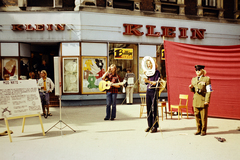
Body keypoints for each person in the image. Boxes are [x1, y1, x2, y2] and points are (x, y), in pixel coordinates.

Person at [189, 65, 212, 136]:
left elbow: (209, 91)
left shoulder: (207, 79)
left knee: (203, 116)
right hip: (195, 100)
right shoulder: (193, 79)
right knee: (197, 116)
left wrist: (207, 101)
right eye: (196, 70)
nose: (197, 72)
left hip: (202, 100)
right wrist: (191, 88)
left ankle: (203, 130)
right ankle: (198, 129)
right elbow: (193, 91)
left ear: (202, 70)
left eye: (199, 70)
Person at [144, 60, 161, 133]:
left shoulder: (157, 72)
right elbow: (145, 82)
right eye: (147, 64)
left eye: (149, 64)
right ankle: (149, 125)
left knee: (154, 109)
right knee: (148, 108)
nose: (148, 66)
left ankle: (155, 126)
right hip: (148, 90)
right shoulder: (148, 72)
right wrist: (145, 77)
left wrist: (148, 81)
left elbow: (155, 83)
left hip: (154, 91)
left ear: (153, 64)